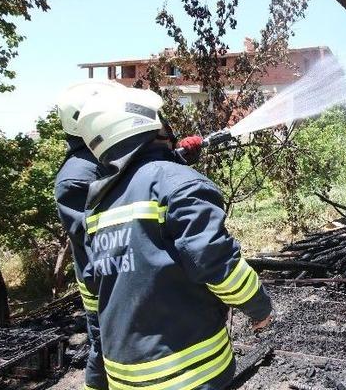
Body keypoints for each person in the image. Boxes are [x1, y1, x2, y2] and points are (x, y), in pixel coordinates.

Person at [76, 87, 272, 390]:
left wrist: (173, 161)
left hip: (123, 376)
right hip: (190, 372)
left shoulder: (97, 205)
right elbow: (216, 261)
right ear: (152, 127)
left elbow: (92, 289)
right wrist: (259, 307)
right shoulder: (179, 184)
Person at [55, 80, 122, 390]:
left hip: (119, 278)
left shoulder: (100, 160)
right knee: (105, 348)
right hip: (104, 285)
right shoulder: (77, 177)